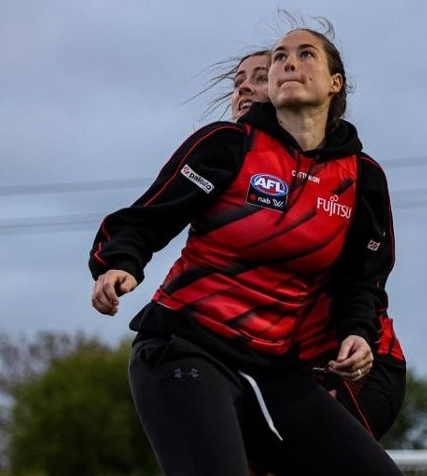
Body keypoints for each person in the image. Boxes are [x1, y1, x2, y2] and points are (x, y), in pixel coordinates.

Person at [89, 23, 403, 476]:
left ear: (336, 83)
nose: (289, 62)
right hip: (186, 348)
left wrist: (357, 333)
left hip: (276, 370)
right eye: (279, 57)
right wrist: (120, 263)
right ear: (270, 86)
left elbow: (362, 281)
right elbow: (146, 218)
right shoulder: (228, 144)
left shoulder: (362, 178)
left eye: (305, 54)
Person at [229, 49, 407, 440]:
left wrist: (356, 334)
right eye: (237, 80)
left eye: (260, 77)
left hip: (346, 362)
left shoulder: (352, 174)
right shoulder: (226, 158)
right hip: (269, 366)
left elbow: (366, 281)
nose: (244, 86)